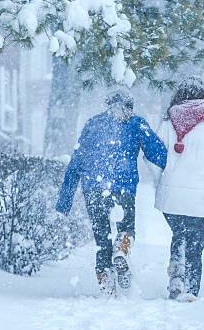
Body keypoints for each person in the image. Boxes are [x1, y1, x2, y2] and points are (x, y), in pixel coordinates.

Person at [56, 90, 167, 295]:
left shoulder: (93, 124)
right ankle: (122, 250)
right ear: (130, 107)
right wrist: (175, 168)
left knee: (101, 240)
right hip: (123, 187)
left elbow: (76, 162)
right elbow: (157, 152)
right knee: (126, 228)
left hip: (94, 188)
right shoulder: (136, 123)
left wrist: (64, 200)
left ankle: (107, 288)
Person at [150, 77, 204, 301]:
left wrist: (163, 179)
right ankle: (192, 289)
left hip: (170, 198)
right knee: (195, 246)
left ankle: (177, 277)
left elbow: (151, 158)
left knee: (179, 235)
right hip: (199, 199)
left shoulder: (166, 126)